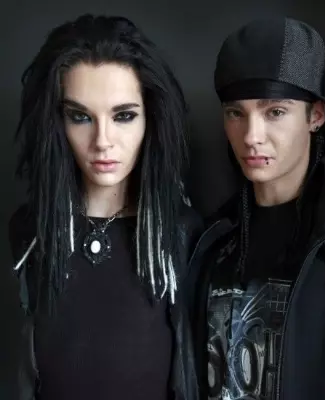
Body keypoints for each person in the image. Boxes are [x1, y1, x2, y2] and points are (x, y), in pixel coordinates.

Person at [189, 16, 325, 400]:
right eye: (236, 113)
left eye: (275, 112)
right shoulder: (211, 241)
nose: (251, 136)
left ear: (316, 115)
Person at [9, 14, 202, 400]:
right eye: (80, 117)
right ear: (57, 122)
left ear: (150, 119)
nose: (102, 141)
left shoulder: (181, 234)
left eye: (123, 116)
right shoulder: (30, 232)